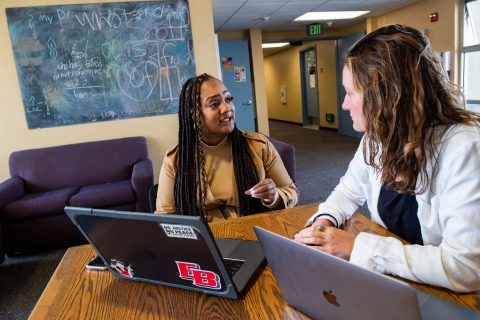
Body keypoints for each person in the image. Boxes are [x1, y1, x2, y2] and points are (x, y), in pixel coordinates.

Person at [294, 24, 480, 293]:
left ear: (385, 97)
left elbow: (465, 268)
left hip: (448, 296)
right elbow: (347, 192)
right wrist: (325, 220)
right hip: (394, 282)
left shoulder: (465, 150)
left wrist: (358, 247)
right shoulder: (378, 137)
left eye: (350, 93)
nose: (344, 105)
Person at [156, 73, 298, 222]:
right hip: (205, 239)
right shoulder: (177, 159)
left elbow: (291, 193)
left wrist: (273, 196)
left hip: (253, 232)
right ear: (194, 114)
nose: (227, 108)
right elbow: (166, 218)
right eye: (214, 104)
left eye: (228, 99)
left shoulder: (257, 146)